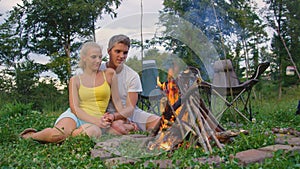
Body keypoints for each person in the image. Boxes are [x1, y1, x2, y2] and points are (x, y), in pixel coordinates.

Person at [19, 42, 119, 143]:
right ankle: (32, 135)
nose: (98, 61)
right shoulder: (75, 80)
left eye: (100, 57)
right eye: (93, 57)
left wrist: (116, 118)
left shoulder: (109, 74)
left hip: (94, 123)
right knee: (57, 135)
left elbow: (118, 104)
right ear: (84, 58)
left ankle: (67, 136)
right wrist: (96, 121)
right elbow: (75, 108)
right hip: (75, 116)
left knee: (93, 132)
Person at [100, 34, 161, 134]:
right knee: (116, 127)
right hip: (103, 113)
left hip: (127, 113)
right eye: (117, 51)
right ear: (109, 51)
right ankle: (129, 127)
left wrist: (115, 116)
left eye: (125, 53)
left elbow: (130, 108)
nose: (121, 56)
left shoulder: (132, 75)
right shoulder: (99, 70)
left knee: (158, 122)